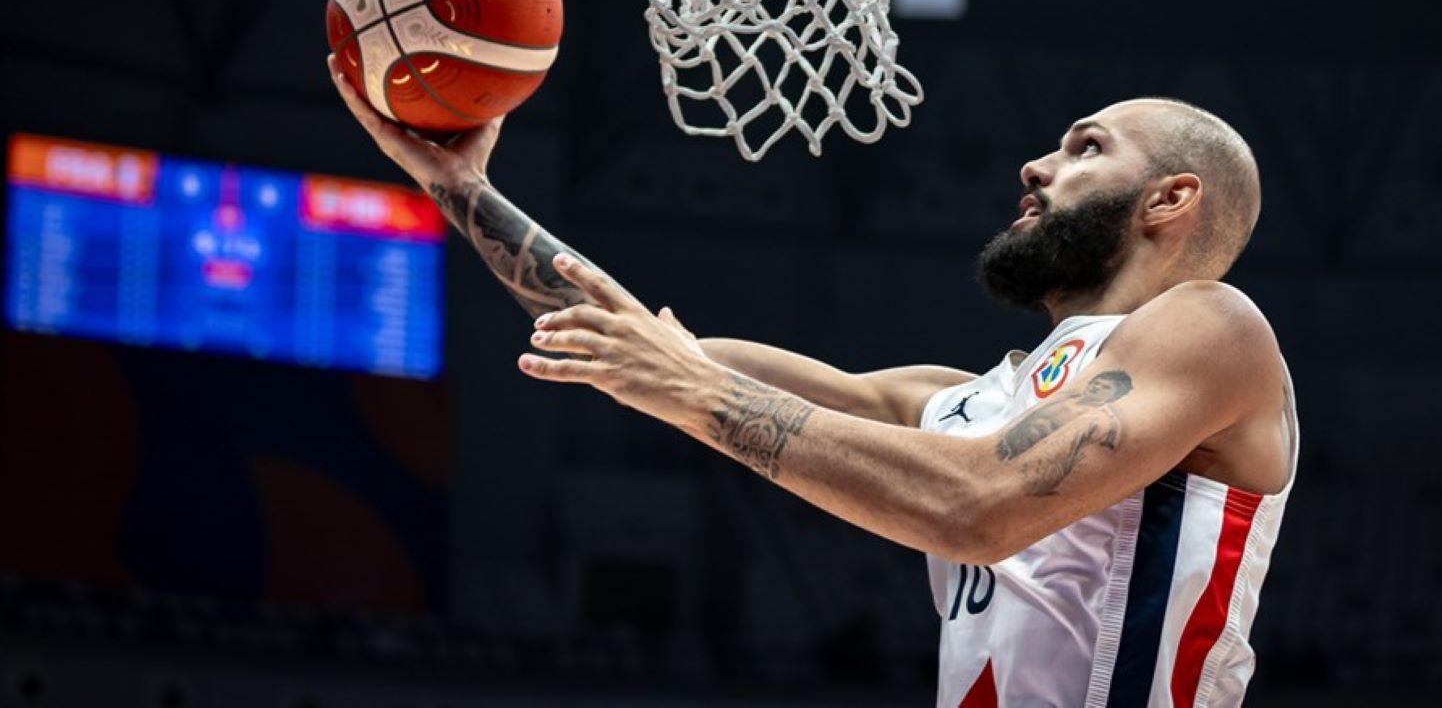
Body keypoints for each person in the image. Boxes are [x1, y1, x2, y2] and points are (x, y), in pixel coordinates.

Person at [329, 56, 1298, 707]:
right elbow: (627, 341)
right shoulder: (957, 400)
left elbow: (980, 505)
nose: (1036, 165)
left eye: (1086, 147)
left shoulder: (1210, 324)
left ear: (1169, 198)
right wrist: (462, 190)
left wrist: (696, 393)